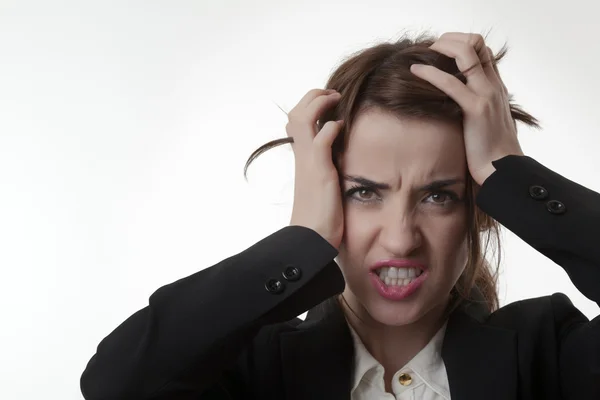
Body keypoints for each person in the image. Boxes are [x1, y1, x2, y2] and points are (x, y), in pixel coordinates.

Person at [79, 31, 600, 399]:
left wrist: (509, 174)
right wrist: (302, 239)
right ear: (324, 194)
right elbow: (117, 385)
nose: (400, 240)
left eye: (439, 196)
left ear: (479, 210)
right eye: (364, 192)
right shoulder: (253, 367)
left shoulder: (548, 355)